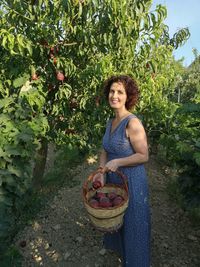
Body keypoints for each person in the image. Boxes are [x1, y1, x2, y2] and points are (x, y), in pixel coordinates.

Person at [93, 75, 151, 267]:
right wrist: (101, 171)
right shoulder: (111, 122)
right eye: (111, 91)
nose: (114, 95)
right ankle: (123, 256)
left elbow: (143, 155)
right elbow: (104, 149)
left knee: (134, 227)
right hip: (114, 182)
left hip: (132, 182)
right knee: (117, 222)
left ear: (128, 97)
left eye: (120, 92)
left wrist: (118, 162)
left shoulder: (132, 123)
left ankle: (136, 262)